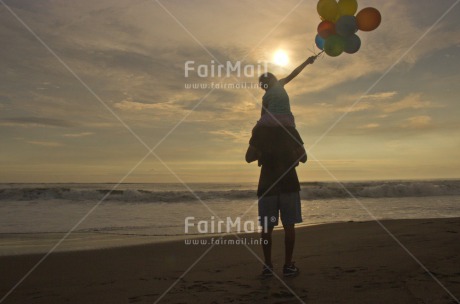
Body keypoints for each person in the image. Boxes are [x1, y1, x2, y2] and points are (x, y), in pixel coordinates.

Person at [246, 55, 316, 278]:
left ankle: (267, 266)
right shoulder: (291, 130)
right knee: (289, 226)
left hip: (267, 184)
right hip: (289, 183)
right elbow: (303, 157)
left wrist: (258, 135)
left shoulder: (261, 129)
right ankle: (288, 265)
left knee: (266, 228)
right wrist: (307, 62)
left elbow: (249, 157)